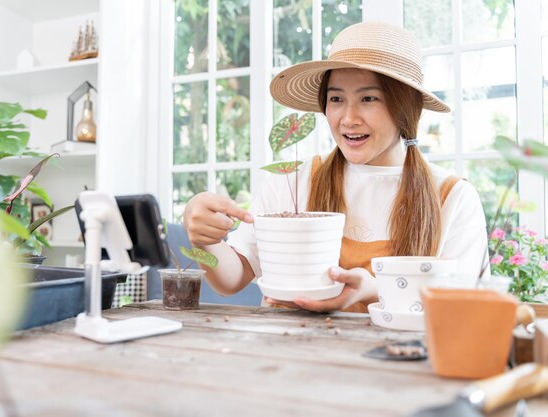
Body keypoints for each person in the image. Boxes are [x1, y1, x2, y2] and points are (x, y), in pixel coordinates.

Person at [183, 21, 488, 312]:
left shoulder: (452, 197)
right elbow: (231, 279)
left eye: (369, 98)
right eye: (336, 99)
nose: (348, 118)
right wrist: (204, 240)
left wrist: (376, 289)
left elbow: (460, 305)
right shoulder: (292, 180)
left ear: (406, 107)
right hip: (289, 356)